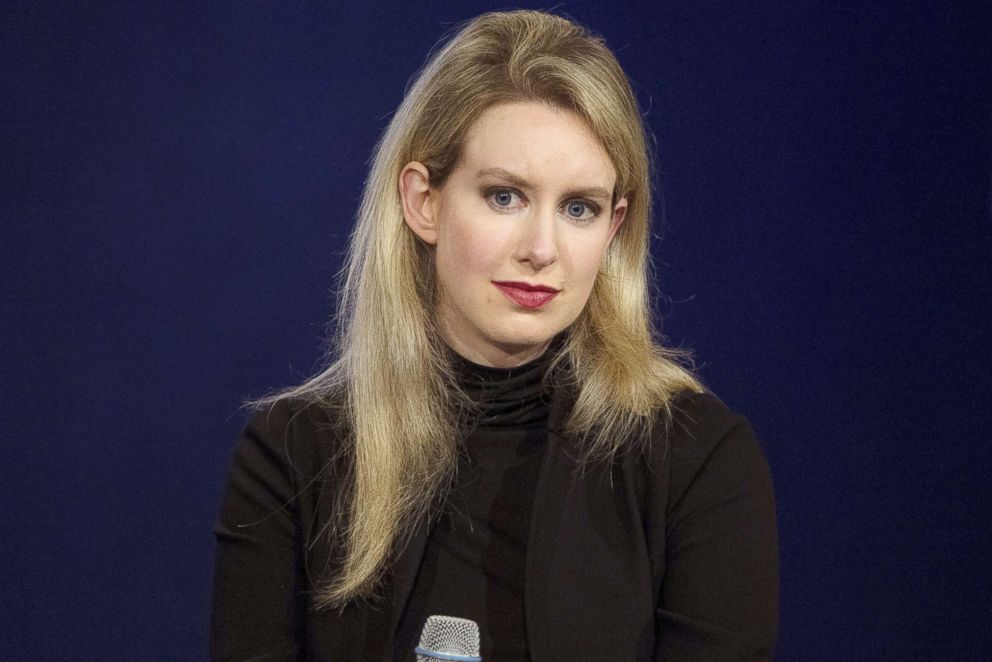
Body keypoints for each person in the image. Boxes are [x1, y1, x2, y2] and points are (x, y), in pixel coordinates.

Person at [211, 10, 778, 661]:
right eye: (505, 196)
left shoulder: (696, 461)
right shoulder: (292, 456)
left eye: (578, 208)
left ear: (614, 226)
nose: (542, 249)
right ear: (424, 201)